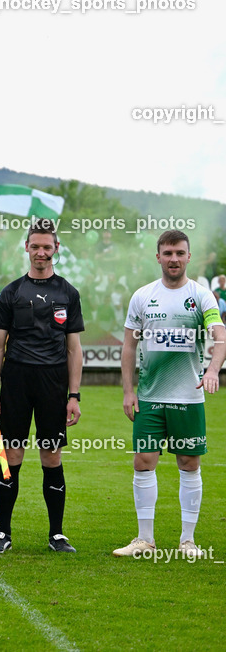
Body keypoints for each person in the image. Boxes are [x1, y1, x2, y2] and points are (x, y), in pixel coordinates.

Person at [115, 230, 225, 558]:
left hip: (188, 397)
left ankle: (187, 541)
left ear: (189, 256)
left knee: (189, 463)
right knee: (143, 461)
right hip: (150, 396)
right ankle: (144, 539)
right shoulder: (142, 297)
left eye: (179, 253)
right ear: (158, 257)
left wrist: (212, 370)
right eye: (167, 253)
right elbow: (129, 347)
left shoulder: (202, 296)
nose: (173, 258)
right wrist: (128, 391)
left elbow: (220, 337)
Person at [0, 219, 84, 554]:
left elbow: (74, 349)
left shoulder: (68, 293)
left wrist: (74, 395)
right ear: (26, 248)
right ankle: (2, 533)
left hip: (53, 382)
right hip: (16, 380)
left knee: (51, 456)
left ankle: (56, 534)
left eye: (47, 247)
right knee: (10, 456)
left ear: (56, 249)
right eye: (35, 246)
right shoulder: (11, 292)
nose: (41, 252)